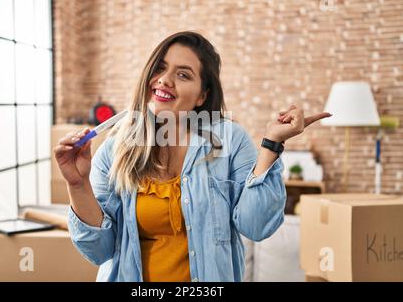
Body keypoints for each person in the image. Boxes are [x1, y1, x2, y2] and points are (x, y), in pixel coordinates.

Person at [54, 31, 331, 282]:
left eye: (183, 75)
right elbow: (99, 251)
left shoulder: (230, 140)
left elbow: (256, 227)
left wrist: (272, 145)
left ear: (202, 96)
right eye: (160, 68)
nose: (165, 79)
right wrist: (78, 186)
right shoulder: (115, 151)